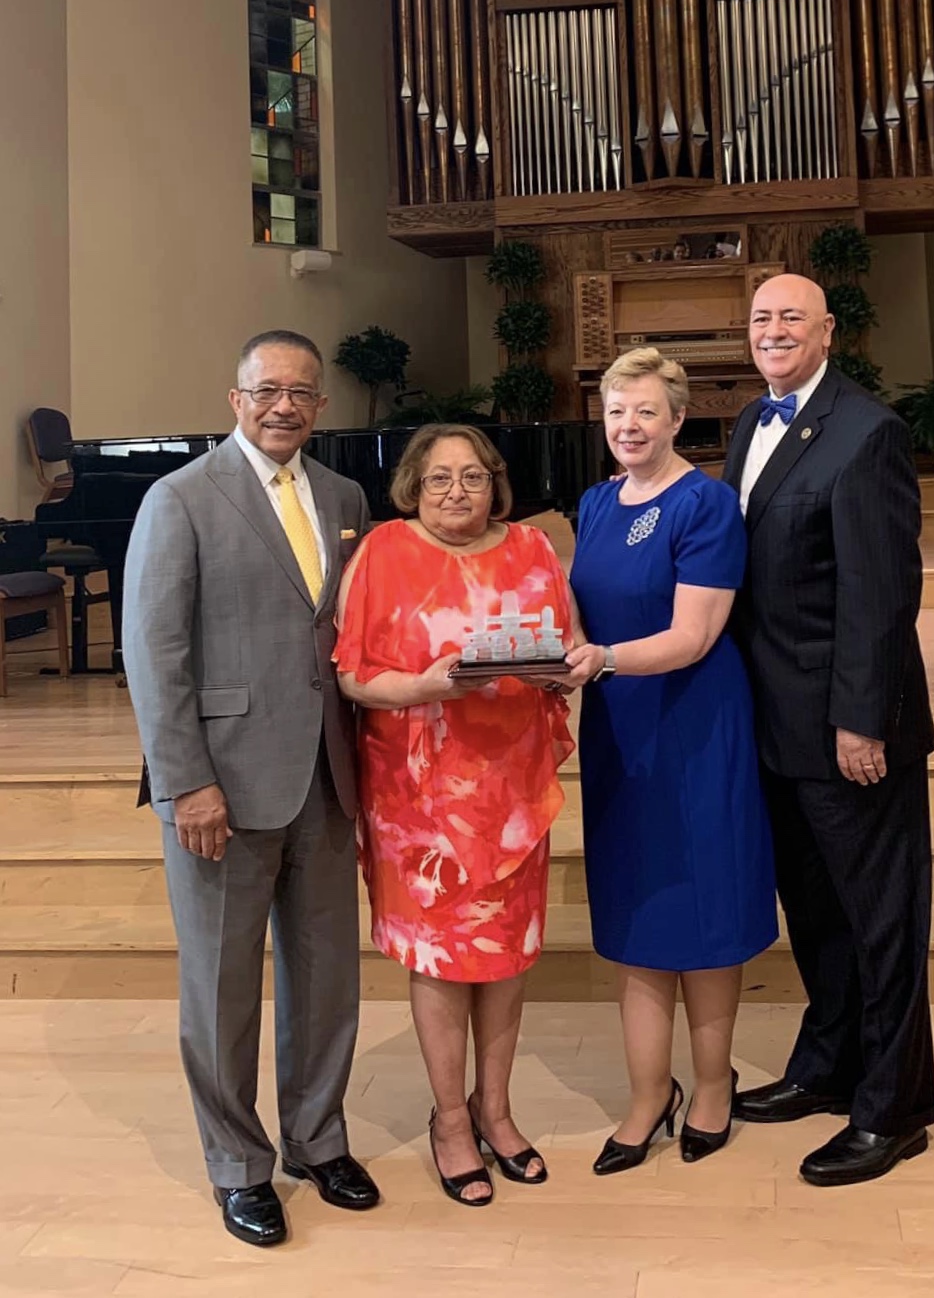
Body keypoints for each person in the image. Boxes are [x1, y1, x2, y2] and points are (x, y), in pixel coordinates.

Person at [122, 330, 378, 1248]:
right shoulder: (179, 499)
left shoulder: (346, 497)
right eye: (266, 390)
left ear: (320, 406)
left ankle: (317, 1137)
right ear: (235, 401)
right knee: (224, 984)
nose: (283, 406)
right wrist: (185, 783)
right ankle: (238, 1164)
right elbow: (153, 653)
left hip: (327, 775)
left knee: (326, 979)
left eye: (301, 393)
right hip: (221, 788)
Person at [722, 274, 934, 1187]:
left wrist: (861, 720)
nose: (773, 331)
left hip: (850, 731)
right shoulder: (747, 424)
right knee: (815, 916)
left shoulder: (867, 431)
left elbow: (882, 596)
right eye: (761, 318)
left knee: (879, 919)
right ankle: (828, 1066)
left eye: (790, 319)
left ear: (827, 333)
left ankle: (892, 1108)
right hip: (771, 722)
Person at [334, 423, 574, 1207]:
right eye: (438, 479)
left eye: (472, 477)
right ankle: (447, 1120)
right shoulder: (383, 552)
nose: (456, 492)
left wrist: (558, 671)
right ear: (412, 485)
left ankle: (494, 1111)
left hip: (509, 792)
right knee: (439, 959)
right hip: (418, 799)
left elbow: (564, 643)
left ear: (495, 481)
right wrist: (427, 687)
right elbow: (354, 675)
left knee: (505, 957)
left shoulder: (533, 550)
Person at [564, 347, 778, 1174]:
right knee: (636, 914)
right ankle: (648, 1093)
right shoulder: (595, 501)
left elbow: (693, 637)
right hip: (620, 730)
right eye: (616, 412)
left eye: (645, 412)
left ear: (677, 419)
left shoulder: (706, 503)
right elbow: (578, 614)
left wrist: (599, 659)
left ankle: (713, 1083)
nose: (628, 426)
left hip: (694, 729)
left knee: (703, 913)